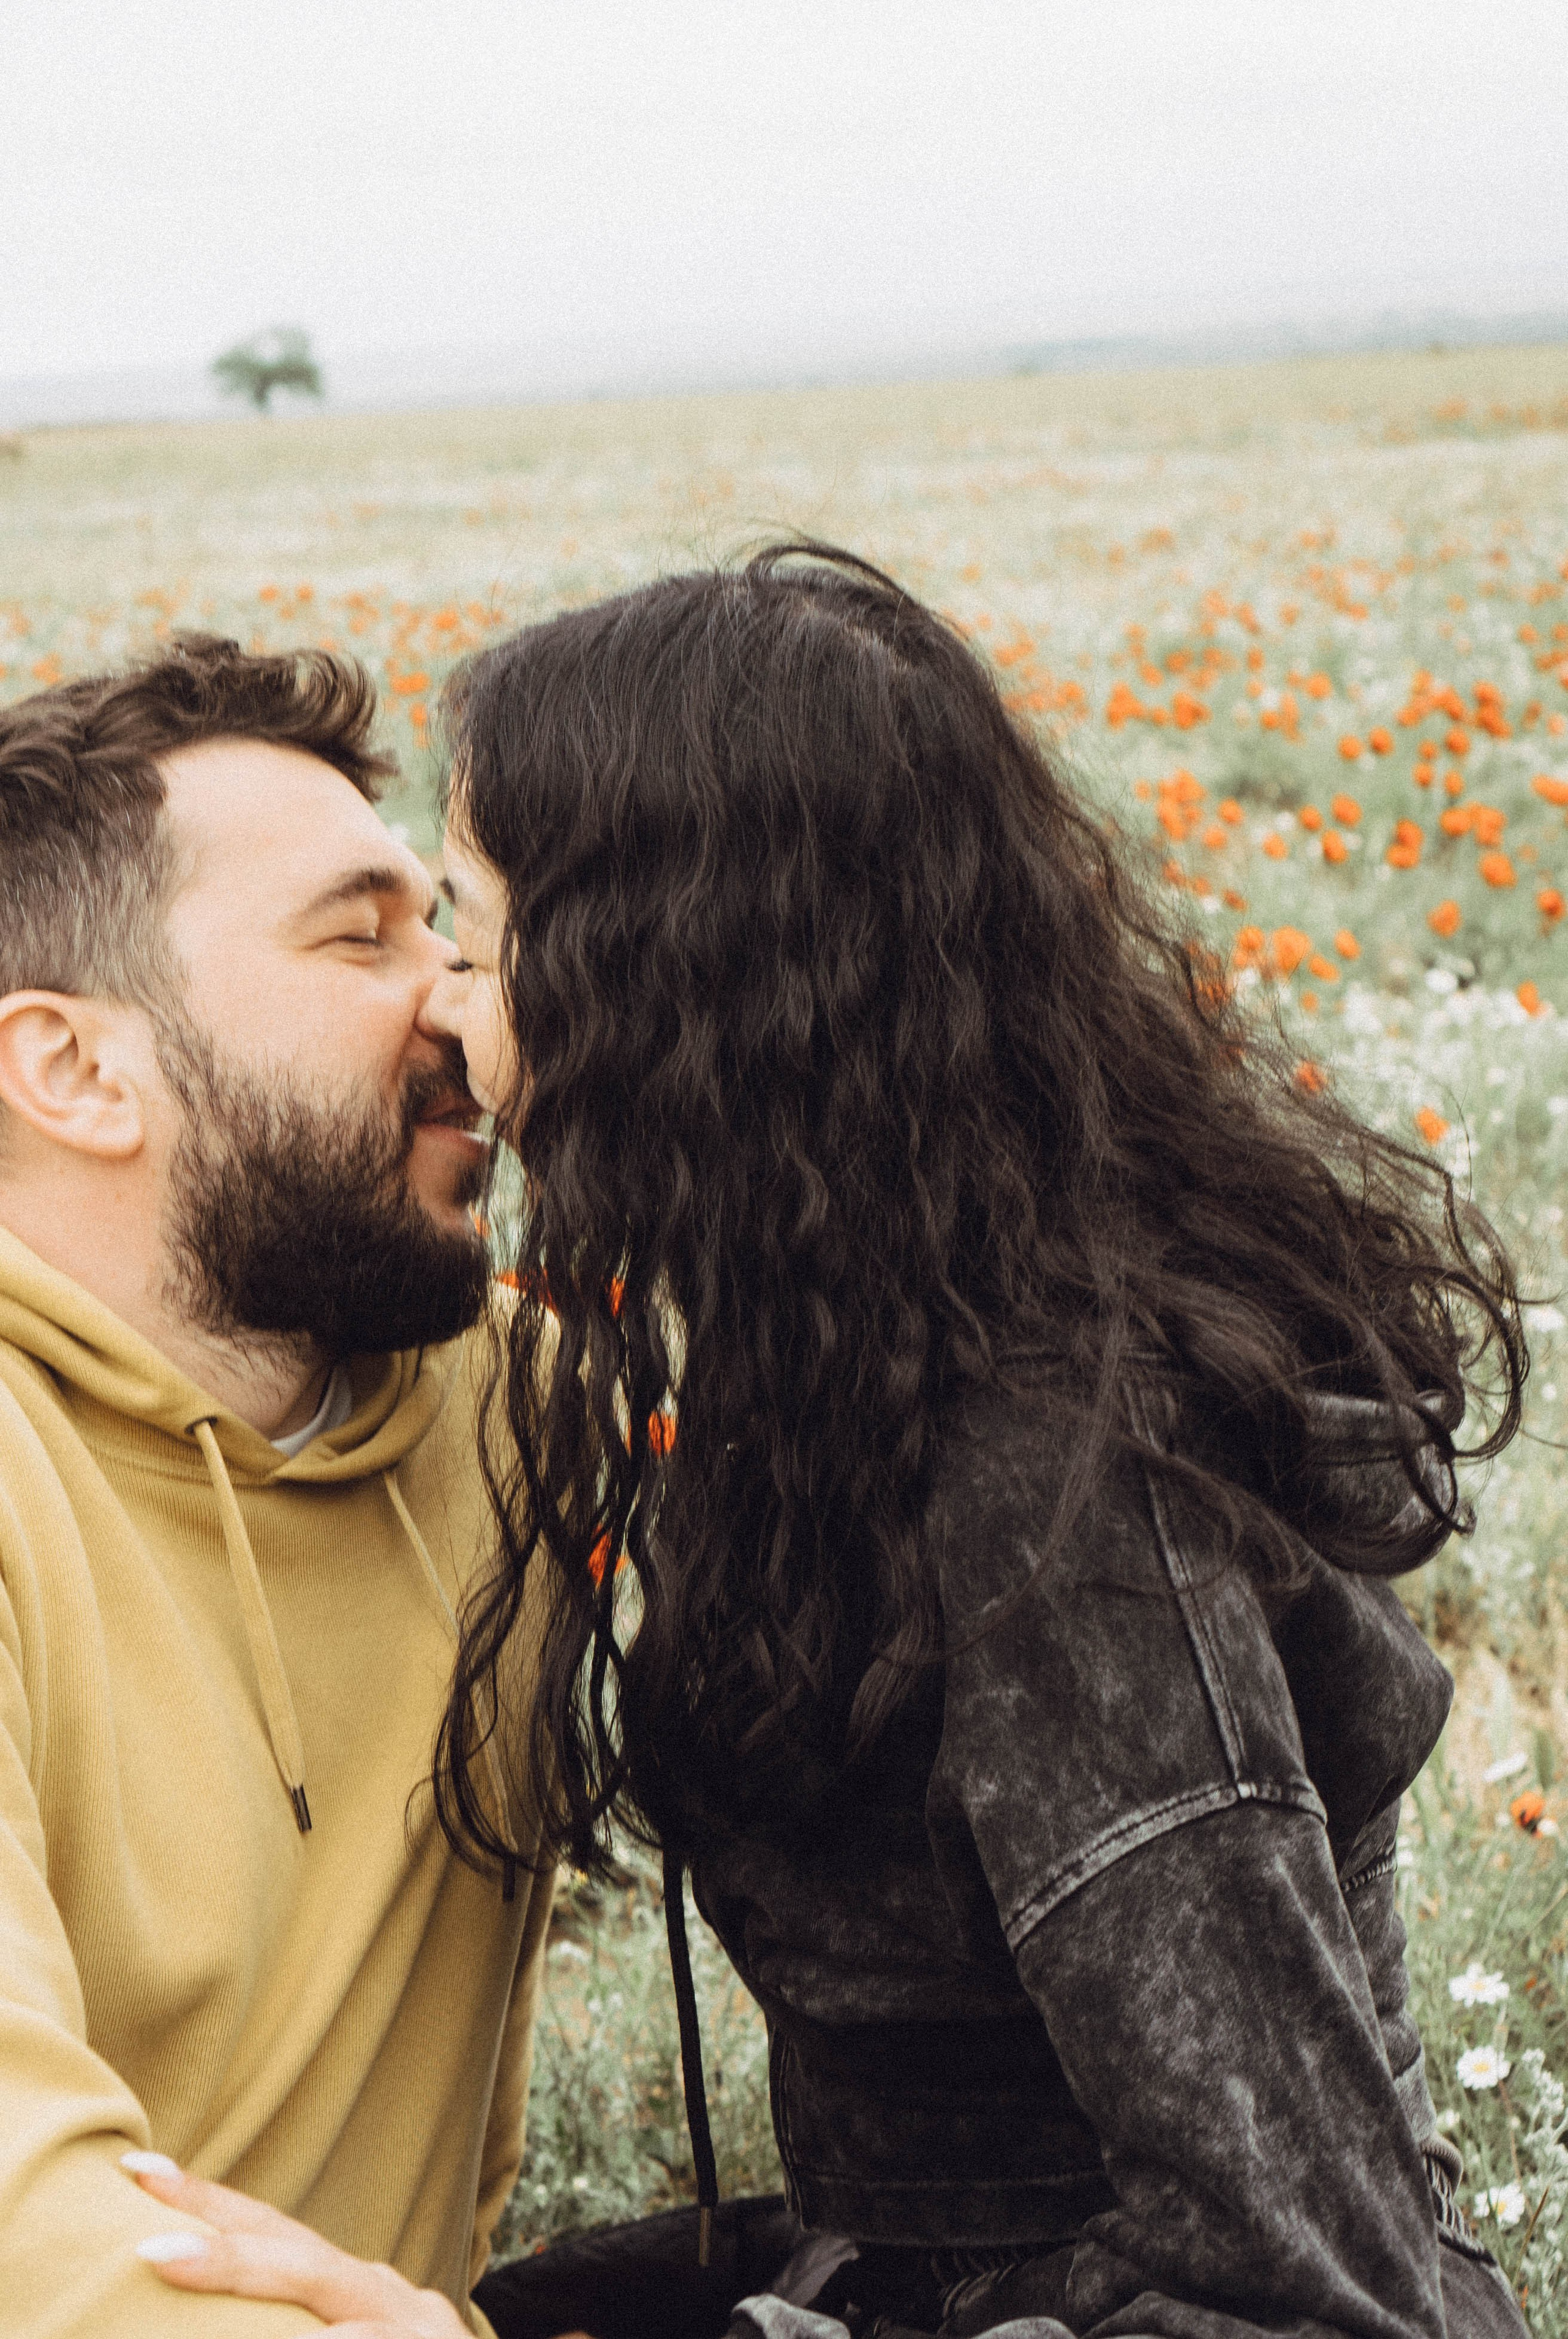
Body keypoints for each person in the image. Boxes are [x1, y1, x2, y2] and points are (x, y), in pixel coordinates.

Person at [154, 543, 1531, 2339]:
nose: (443, 1004)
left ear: (675, 986)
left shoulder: (1063, 1495)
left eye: (478, 940)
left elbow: (1310, 2296)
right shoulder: (842, 1338)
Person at [0, 638, 552, 2338]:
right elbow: (30, 2245)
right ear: (76, 1072)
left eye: (447, 931)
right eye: (360, 938)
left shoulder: (522, 1405)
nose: (457, 1000)